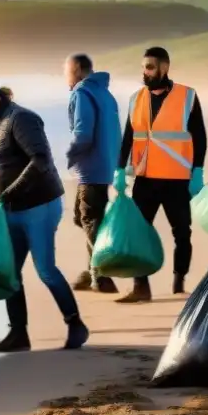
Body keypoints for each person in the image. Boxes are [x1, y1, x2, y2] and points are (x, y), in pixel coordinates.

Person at [0, 71, 89, 353]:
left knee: (45, 270)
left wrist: (11, 192)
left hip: (40, 205)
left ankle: (75, 324)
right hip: (10, 208)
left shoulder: (21, 118)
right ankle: (18, 334)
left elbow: (41, 160)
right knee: (9, 272)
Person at [115, 46, 206, 303]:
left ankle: (179, 283)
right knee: (139, 232)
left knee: (182, 233)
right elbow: (127, 137)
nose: (145, 72)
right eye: (143, 67)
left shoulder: (187, 96)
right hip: (144, 178)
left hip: (177, 178)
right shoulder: (136, 98)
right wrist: (119, 168)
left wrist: (197, 169)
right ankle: (140, 286)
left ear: (164, 68)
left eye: (150, 67)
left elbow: (199, 136)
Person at [63, 53, 121, 295]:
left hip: (91, 168)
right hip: (105, 165)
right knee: (83, 216)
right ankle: (91, 271)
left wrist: (69, 155)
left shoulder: (82, 92)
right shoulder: (105, 93)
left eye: (66, 71)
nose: (65, 76)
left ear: (76, 69)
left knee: (90, 219)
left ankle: (102, 275)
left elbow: (83, 132)